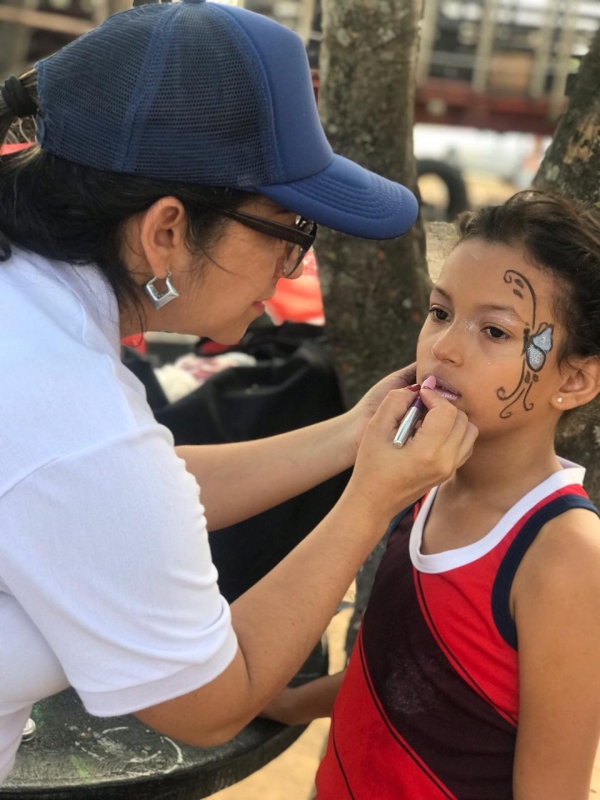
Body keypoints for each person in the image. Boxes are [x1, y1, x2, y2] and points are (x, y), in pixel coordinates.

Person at [0, 0, 478, 784]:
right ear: (166, 230)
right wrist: (371, 499)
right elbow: (212, 700)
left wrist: (353, 435)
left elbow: (128, 493)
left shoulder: (29, 306)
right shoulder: (71, 412)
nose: (295, 274)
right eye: (292, 236)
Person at [263, 191, 600, 799]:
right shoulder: (423, 482)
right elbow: (404, 676)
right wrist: (285, 703)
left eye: (494, 330)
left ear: (573, 379)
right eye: (440, 312)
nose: (444, 347)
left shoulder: (564, 555)